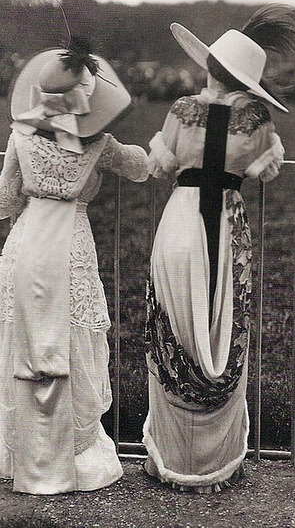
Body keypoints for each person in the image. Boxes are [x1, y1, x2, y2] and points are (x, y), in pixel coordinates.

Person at [143, 5, 295, 493]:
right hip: (226, 223)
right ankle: (214, 461)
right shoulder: (256, 121)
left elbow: (159, 165)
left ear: (210, 66)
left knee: (174, 326)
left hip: (180, 223)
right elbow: (265, 167)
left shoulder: (181, 111)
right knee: (222, 324)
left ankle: (172, 458)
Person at [0, 38, 149, 494]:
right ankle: (72, 455)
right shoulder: (98, 142)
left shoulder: (21, 134)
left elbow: (6, 200)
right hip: (70, 245)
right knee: (70, 340)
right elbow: (141, 167)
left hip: (27, 243)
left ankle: (25, 453)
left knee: (25, 339)